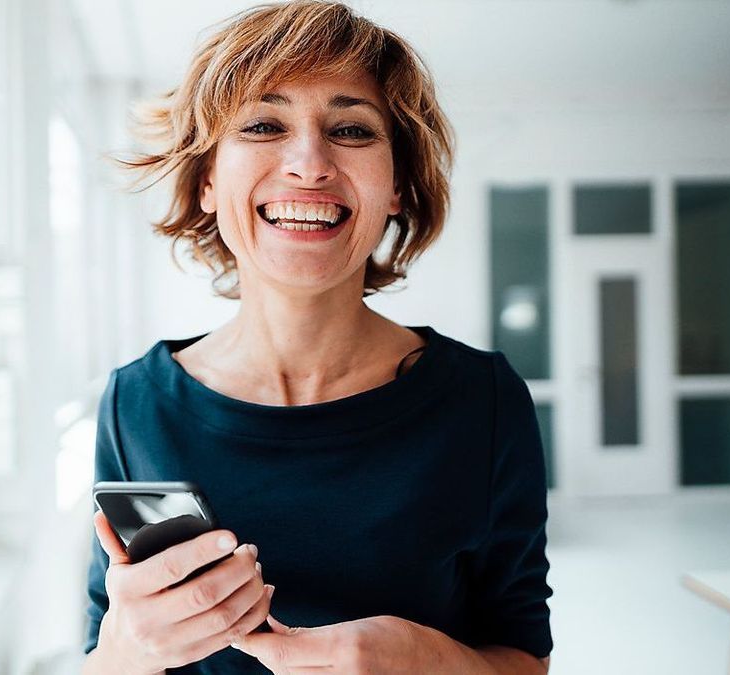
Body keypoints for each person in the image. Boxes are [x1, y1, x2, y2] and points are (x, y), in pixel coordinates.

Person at [81, 1, 553, 673]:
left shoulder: (485, 399)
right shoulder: (135, 404)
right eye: (265, 124)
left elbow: (525, 658)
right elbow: (98, 654)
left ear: (396, 185)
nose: (309, 163)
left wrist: (428, 658)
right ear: (209, 178)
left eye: (352, 129)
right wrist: (130, 648)